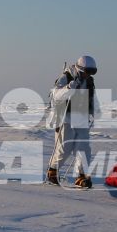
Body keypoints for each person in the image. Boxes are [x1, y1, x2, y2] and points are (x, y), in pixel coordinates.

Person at [47, 55, 98, 188]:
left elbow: (92, 97)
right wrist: (69, 88)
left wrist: (94, 112)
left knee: (83, 147)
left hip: (81, 117)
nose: (89, 75)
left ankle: (81, 177)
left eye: (92, 72)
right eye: (88, 71)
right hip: (65, 116)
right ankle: (53, 171)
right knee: (65, 147)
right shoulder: (66, 77)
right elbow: (55, 95)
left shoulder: (89, 81)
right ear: (80, 69)